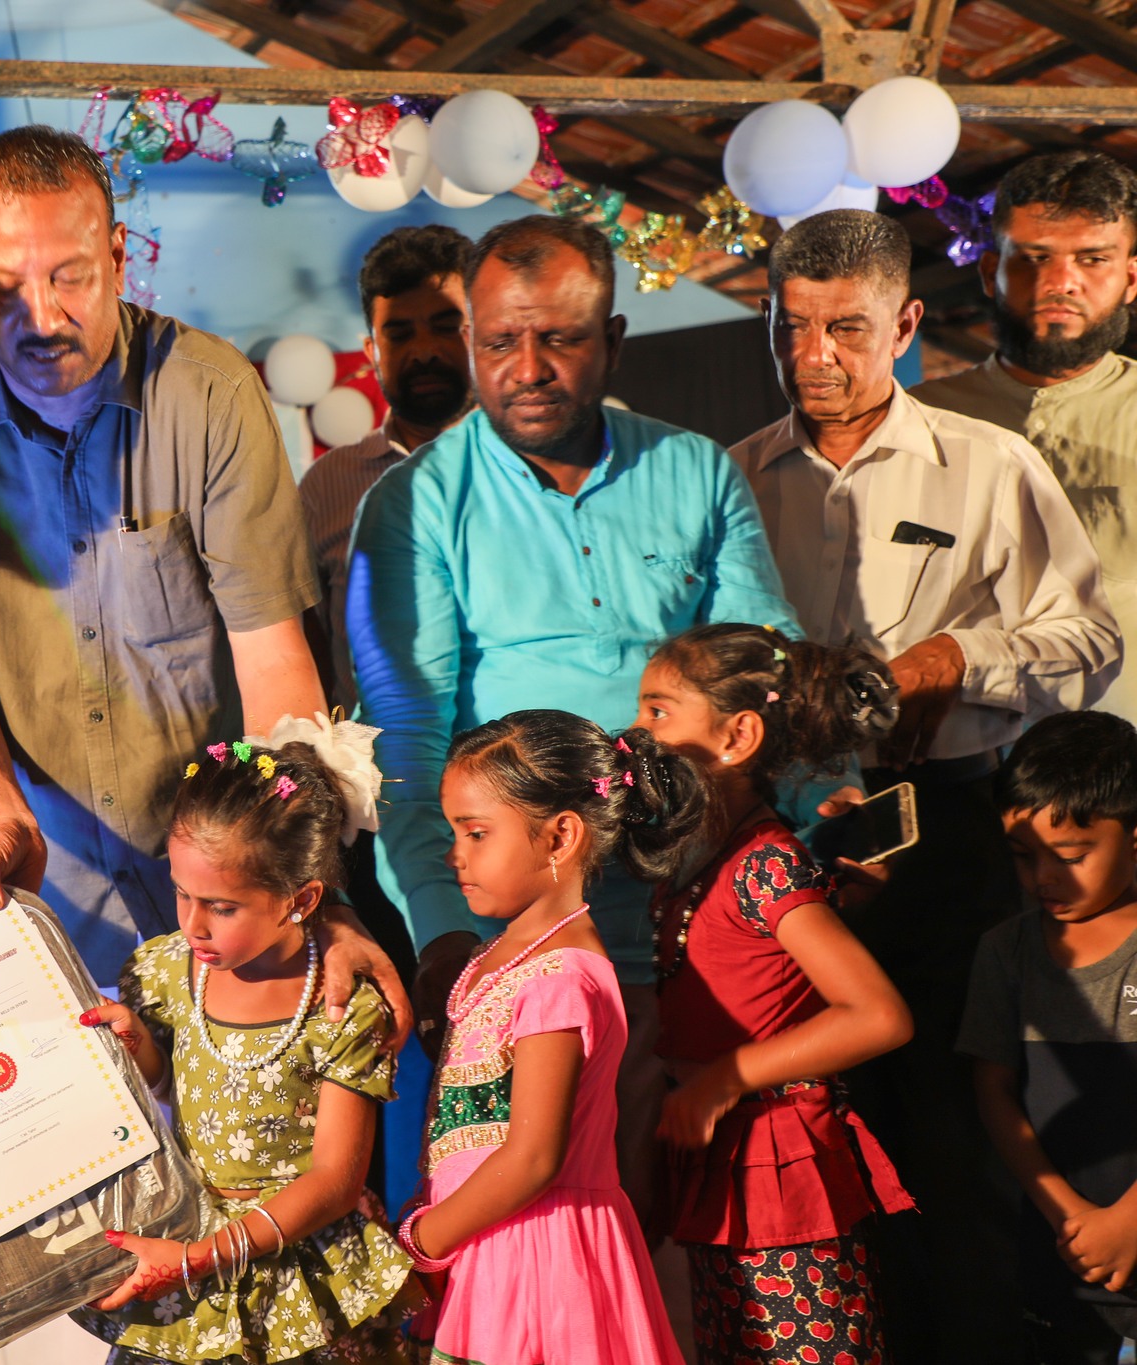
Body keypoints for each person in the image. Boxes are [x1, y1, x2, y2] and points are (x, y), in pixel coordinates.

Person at [0, 125, 406, 1017]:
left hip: (222, 875)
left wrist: (310, 887)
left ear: (118, 255)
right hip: (35, 876)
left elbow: (272, 658)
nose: (42, 317)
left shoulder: (209, 392)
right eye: (4, 287)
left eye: (70, 276)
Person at [348, 213, 798, 1231]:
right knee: (544, 1221)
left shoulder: (694, 471)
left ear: (614, 341)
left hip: (704, 913)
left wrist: (813, 827)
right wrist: (449, 939)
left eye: (558, 338)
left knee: (714, 1223)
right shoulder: (416, 503)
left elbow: (760, 676)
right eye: (499, 341)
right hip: (526, 935)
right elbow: (406, 748)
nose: (527, 369)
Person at [729, 207, 1121, 1364]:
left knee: (953, 1144)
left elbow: (1087, 639)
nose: (813, 356)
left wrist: (958, 658)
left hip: (944, 830)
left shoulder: (986, 463)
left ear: (902, 325)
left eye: (844, 329)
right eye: (789, 328)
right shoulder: (731, 478)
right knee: (804, 1142)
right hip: (779, 842)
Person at [73, 717, 421, 1364]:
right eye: (181, 893)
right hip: (187, 1243)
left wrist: (205, 1256)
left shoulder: (340, 1008)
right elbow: (177, 1086)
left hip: (296, 1263)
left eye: (222, 907)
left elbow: (336, 1179)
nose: (193, 924)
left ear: (301, 898)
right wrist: (139, 1048)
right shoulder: (165, 971)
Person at [634, 623, 916, 1360]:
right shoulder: (702, 858)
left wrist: (725, 1076)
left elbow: (878, 1015)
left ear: (738, 736)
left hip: (781, 1177)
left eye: (658, 710)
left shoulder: (765, 864)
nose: (638, 731)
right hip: (724, 1170)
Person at [398, 711, 692, 1364]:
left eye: (476, 833)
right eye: (454, 832)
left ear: (560, 836)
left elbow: (532, 1158)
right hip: (485, 1249)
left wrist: (419, 1243)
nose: (455, 855)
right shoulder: (497, 956)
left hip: (540, 1262)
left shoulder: (559, 978)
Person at [913, 151, 1137, 720]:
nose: (1060, 282)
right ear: (990, 271)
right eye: (1034, 258)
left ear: (1130, 278)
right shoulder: (922, 420)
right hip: (960, 750)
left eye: (1093, 259)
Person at [959, 710, 1137, 1364]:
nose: (1043, 878)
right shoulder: (1006, 952)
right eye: (1023, 856)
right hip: (1062, 1257)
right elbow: (995, 1093)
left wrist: (1128, 1221)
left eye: (1070, 856)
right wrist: (1069, 1217)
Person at [299, 223, 473, 712]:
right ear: (371, 351)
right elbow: (308, 645)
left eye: (446, 327)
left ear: (483, 332)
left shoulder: (528, 467)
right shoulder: (327, 485)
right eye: (399, 334)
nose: (424, 351)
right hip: (378, 755)